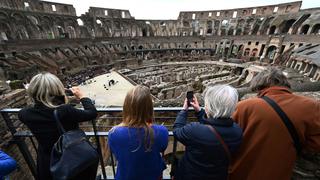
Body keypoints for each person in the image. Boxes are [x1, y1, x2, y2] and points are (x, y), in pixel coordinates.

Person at [230, 67, 320, 180]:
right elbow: (315, 144)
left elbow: (228, 139)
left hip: (242, 171)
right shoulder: (312, 106)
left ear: (259, 86)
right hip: (278, 173)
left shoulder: (244, 106)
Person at [18, 72, 98, 180]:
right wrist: (82, 97)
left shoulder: (25, 114)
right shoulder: (64, 111)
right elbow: (92, 113)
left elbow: (42, 110)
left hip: (48, 161)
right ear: (57, 90)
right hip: (71, 158)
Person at [173, 85, 242, 180]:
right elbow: (213, 127)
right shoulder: (237, 131)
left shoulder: (195, 130)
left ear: (209, 107)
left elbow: (177, 131)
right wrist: (199, 112)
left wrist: (184, 110)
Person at [108, 85, 168, 180]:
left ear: (126, 107)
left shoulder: (114, 133)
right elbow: (162, 147)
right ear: (149, 108)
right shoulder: (161, 131)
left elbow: (117, 152)